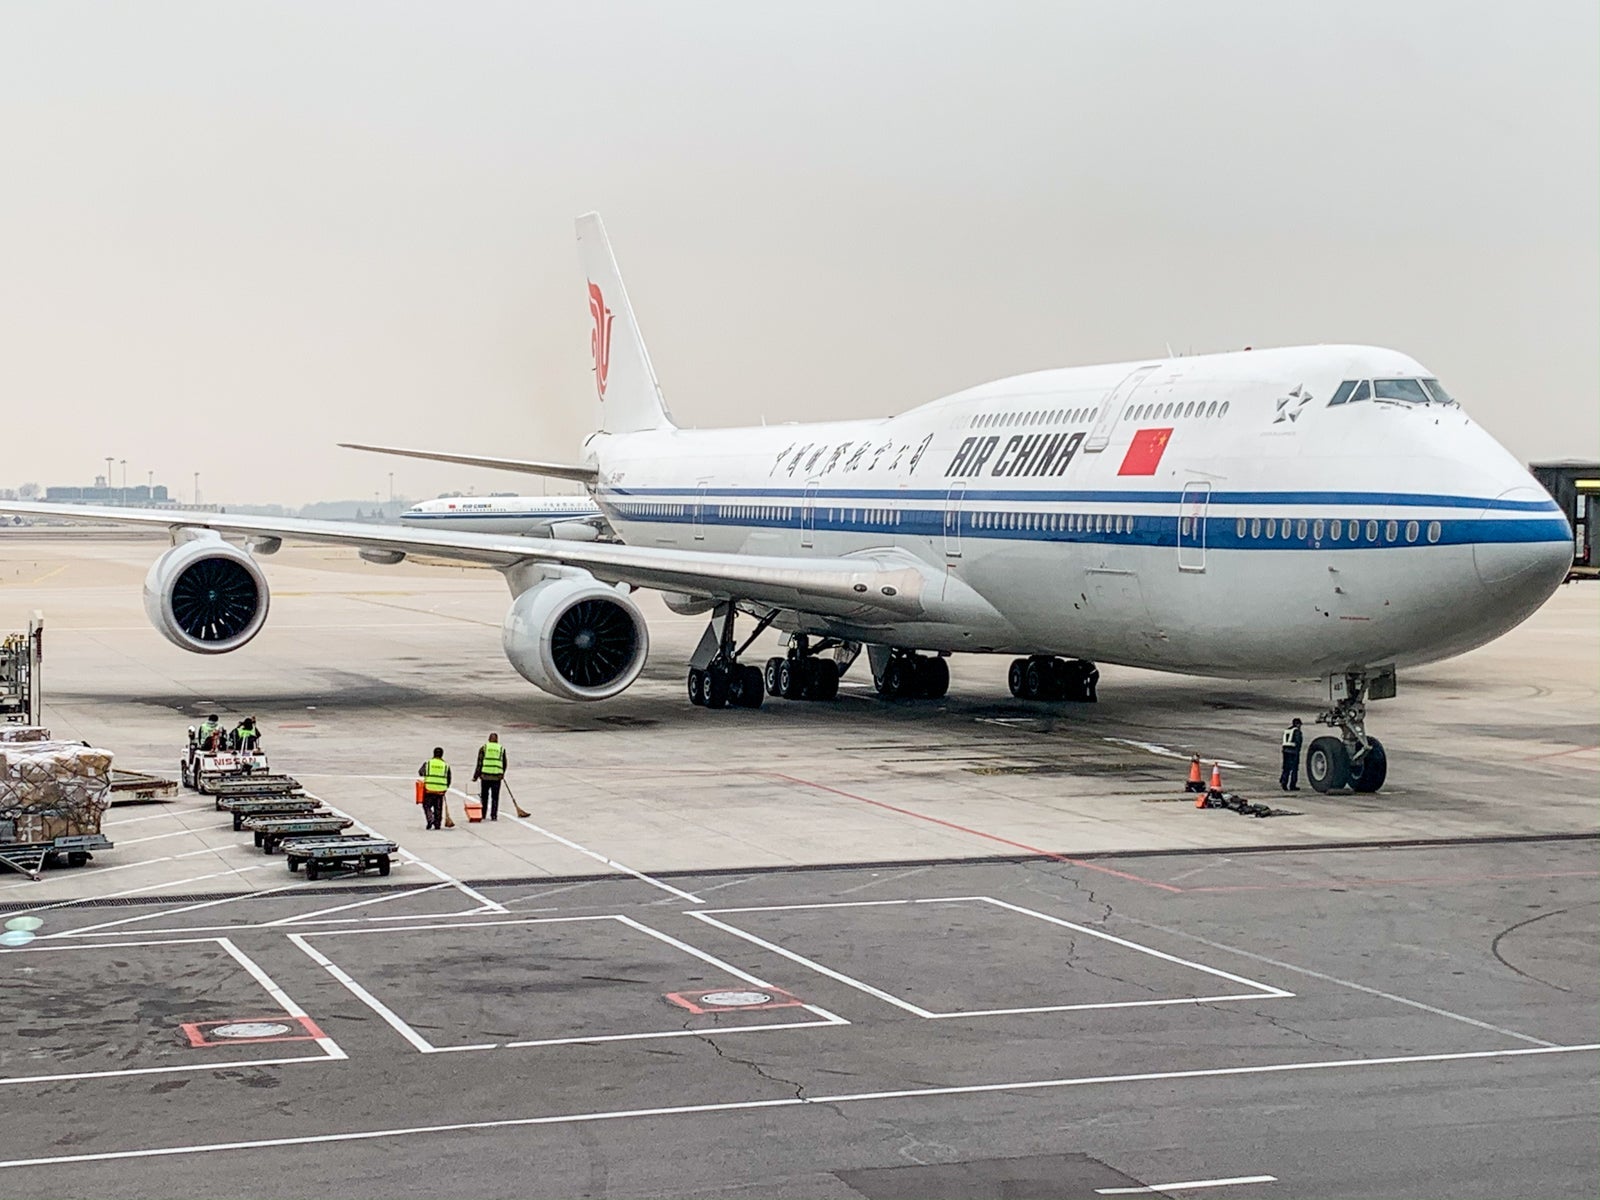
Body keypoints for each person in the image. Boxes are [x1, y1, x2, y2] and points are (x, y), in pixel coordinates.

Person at [473, 733, 507, 821]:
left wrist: (476, 776)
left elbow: (479, 763)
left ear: (489, 739)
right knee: (495, 797)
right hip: (496, 777)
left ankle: (483, 814)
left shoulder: (484, 748)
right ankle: (494, 815)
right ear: (497, 740)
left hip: (485, 776)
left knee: (484, 796)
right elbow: (504, 763)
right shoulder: (501, 749)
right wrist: (502, 773)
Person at [417, 747, 451, 830]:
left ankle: (430, 818)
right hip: (440, 790)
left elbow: (421, 773)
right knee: (438, 808)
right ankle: (437, 824)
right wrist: (445, 788)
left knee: (426, 806)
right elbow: (449, 778)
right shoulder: (446, 765)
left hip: (429, 789)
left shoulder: (428, 763)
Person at [1280, 718, 1304, 791]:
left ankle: (1284, 782)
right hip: (1293, 752)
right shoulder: (1297, 731)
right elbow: (1298, 741)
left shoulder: (1287, 730)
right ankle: (1292, 785)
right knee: (1294, 769)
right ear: (1297, 724)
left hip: (1285, 751)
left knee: (1286, 768)